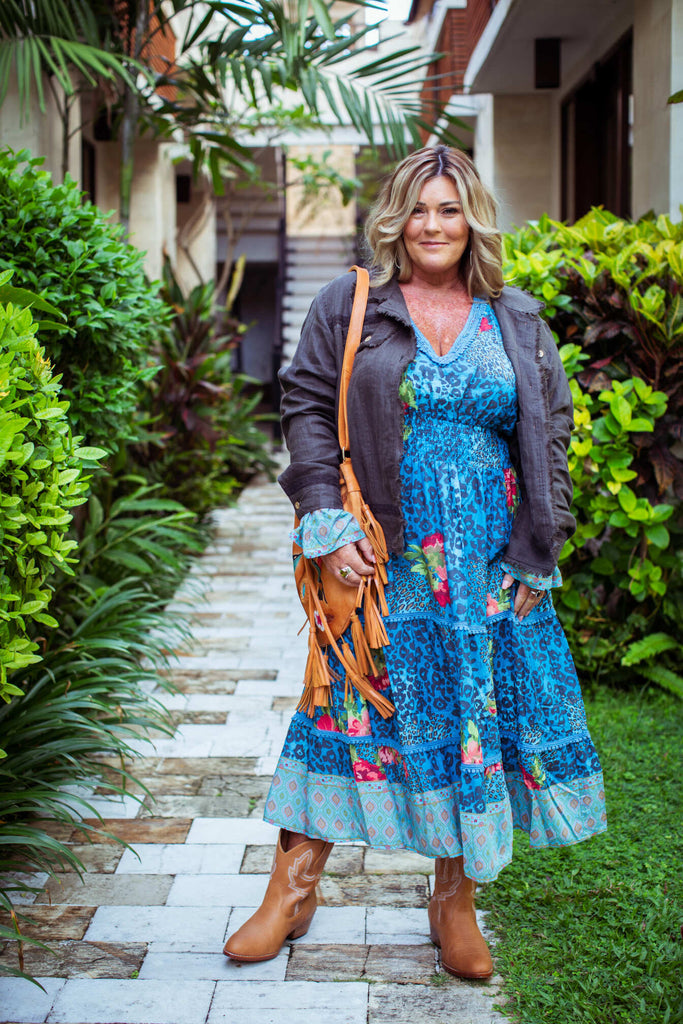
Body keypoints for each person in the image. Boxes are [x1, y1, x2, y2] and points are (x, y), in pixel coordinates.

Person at [223, 146, 607, 979]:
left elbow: (550, 437)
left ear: (472, 219)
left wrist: (538, 545)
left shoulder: (515, 319)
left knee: (472, 717)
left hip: (486, 562)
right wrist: (324, 519)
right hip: (382, 553)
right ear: (395, 219)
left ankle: (452, 899)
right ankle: (291, 890)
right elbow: (305, 407)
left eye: (450, 209)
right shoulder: (352, 302)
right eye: (419, 210)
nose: (434, 226)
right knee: (342, 708)